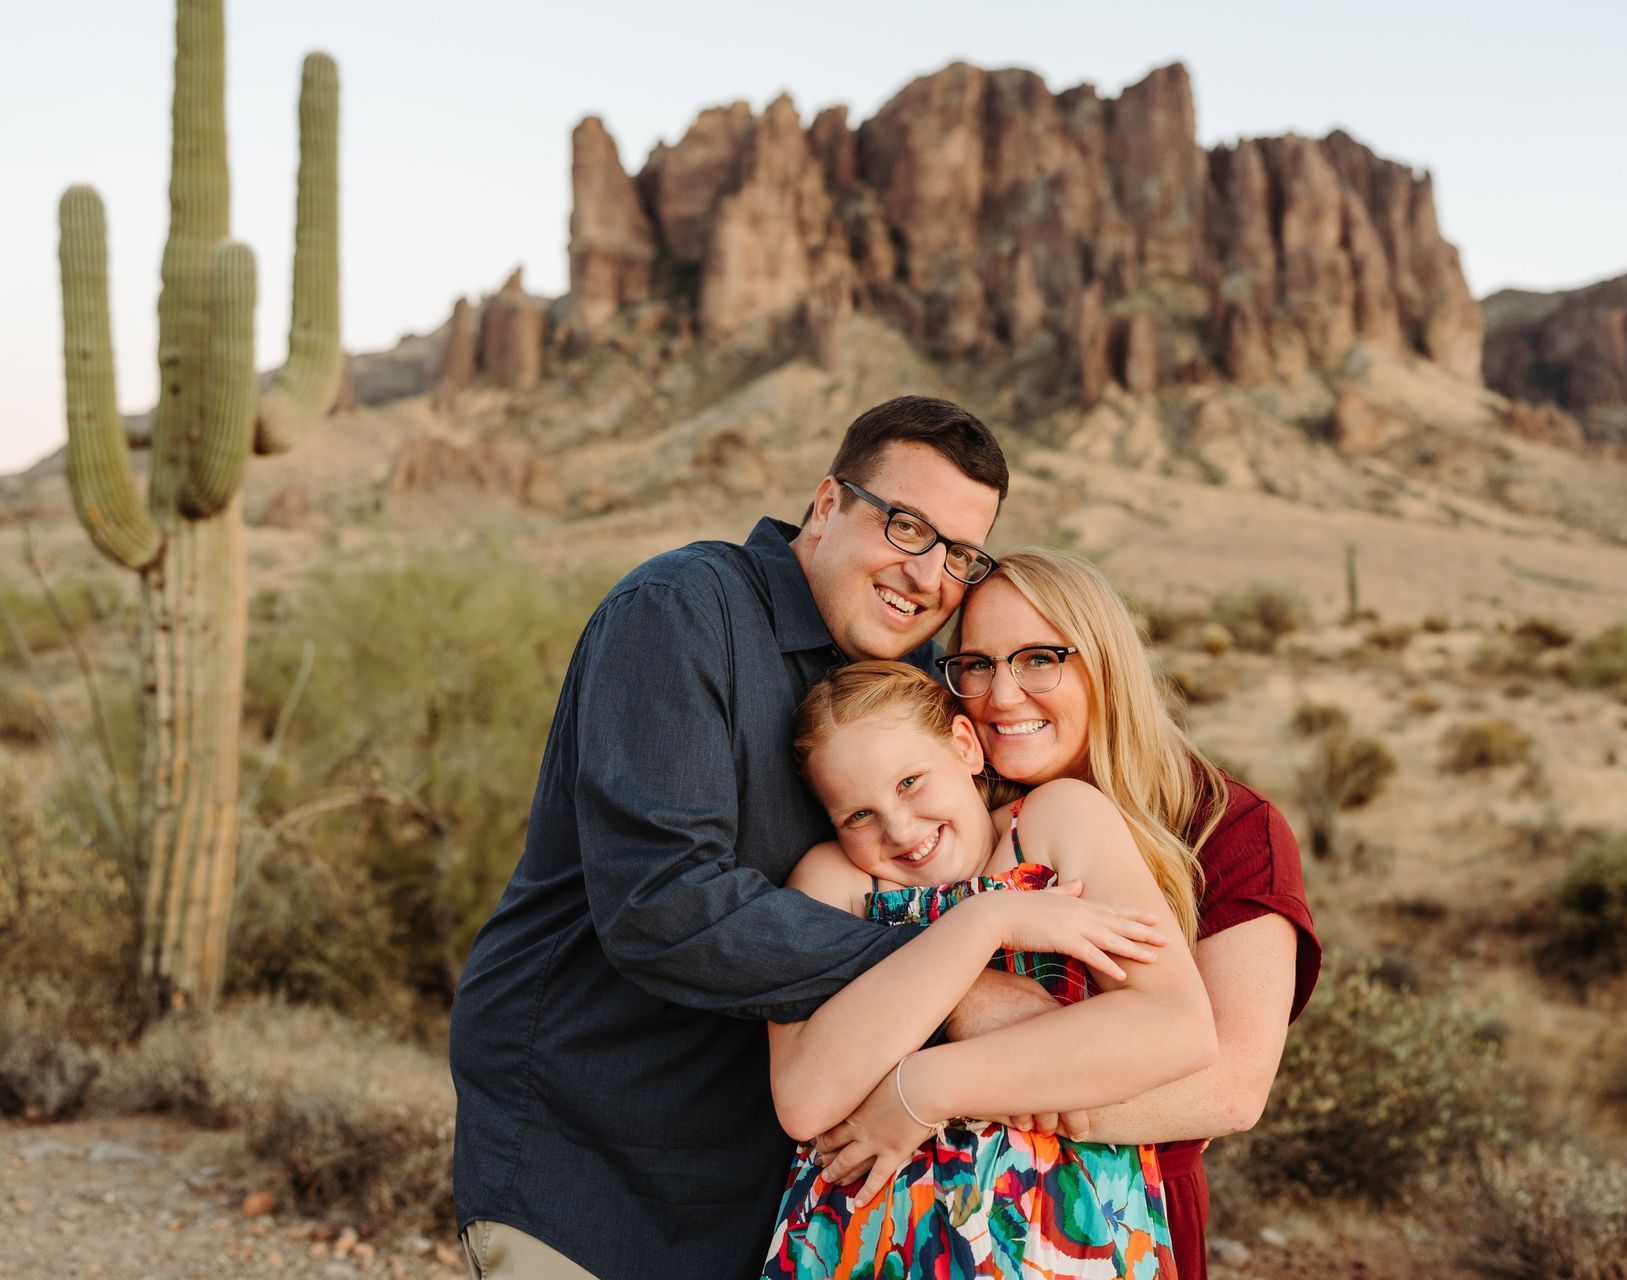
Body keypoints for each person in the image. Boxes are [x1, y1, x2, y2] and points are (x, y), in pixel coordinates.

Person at [451, 397, 1039, 1280]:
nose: (928, 577)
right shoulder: (681, 612)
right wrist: (956, 978)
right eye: (908, 527)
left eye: (959, 554)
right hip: (591, 1157)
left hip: (772, 1189)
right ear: (828, 502)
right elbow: (664, 904)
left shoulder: (910, 684)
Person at [817, 549, 1320, 1280]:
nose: (1002, 695)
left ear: (1106, 662)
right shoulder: (934, 815)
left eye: (1039, 659)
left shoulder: (1228, 828)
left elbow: (1228, 1088)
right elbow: (831, 947)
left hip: (1121, 1218)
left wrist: (941, 1079)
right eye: (979, 664)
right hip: (926, 1216)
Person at [761, 661, 1215, 1278]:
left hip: (1067, 1234)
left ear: (966, 745)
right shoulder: (835, 881)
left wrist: (924, 1088)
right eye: (857, 816)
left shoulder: (1056, 823)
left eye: (911, 781)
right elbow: (805, 1099)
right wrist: (987, 922)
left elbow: (1177, 1026)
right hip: (876, 1239)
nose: (898, 828)